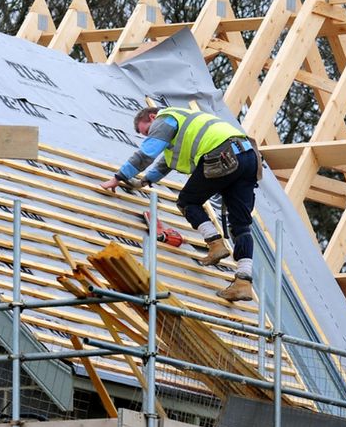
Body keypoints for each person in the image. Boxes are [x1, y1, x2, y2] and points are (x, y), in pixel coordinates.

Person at [99, 106, 261, 302]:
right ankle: (243, 283)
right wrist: (143, 181)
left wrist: (118, 177)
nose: (149, 136)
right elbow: (166, 162)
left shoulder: (166, 118)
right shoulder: (186, 124)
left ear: (152, 117)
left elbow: (146, 154)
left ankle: (215, 244)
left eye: (147, 131)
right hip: (249, 155)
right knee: (242, 226)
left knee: (187, 202)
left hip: (223, 154)